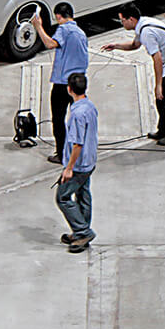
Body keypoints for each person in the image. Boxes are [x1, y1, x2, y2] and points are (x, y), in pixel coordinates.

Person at [102, 3, 165, 145]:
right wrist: (116, 46)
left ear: (130, 19)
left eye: (122, 20)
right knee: (161, 101)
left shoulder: (147, 32)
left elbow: (157, 58)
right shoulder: (142, 24)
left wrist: (159, 84)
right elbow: (134, 45)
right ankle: (163, 130)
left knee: (164, 101)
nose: (122, 23)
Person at [33, 4, 89, 165]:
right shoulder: (81, 32)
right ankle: (81, 150)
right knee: (79, 117)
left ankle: (62, 153)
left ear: (58, 16)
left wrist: (39, 27)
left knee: (58, 119)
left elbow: (50, 44)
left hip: (63, 83)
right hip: (79, 81)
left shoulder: (64, 29)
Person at [55, 72, 98, 253]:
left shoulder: (77, 114)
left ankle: (83, 231)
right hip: (89, 160)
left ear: (69, 89)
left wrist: (69, 168)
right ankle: (81, 233)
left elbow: (77, 144)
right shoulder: (89, 106)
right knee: (83, 194)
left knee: (63, 197)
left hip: (79, 165)